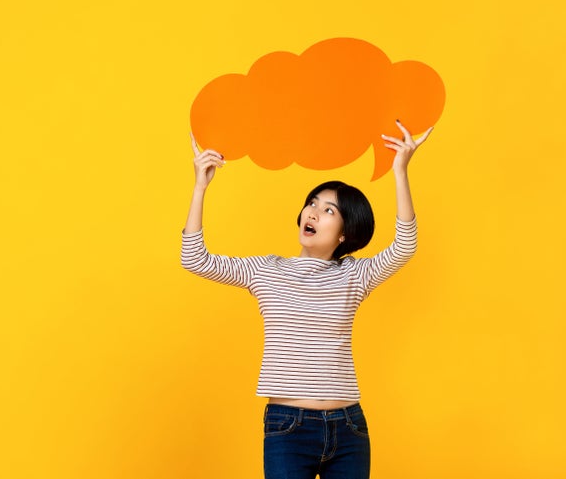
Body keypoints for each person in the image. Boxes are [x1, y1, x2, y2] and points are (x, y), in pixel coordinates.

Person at [181, 120, 433, 479]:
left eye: (329, 210)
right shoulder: (265, 271)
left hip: (349, 428)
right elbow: (194, 259)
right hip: (289, 428)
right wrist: (200, 188)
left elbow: (405, 245)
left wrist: (400, 170)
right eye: (312, 204)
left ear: (345, 234)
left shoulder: (354, 277)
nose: (313, 212)